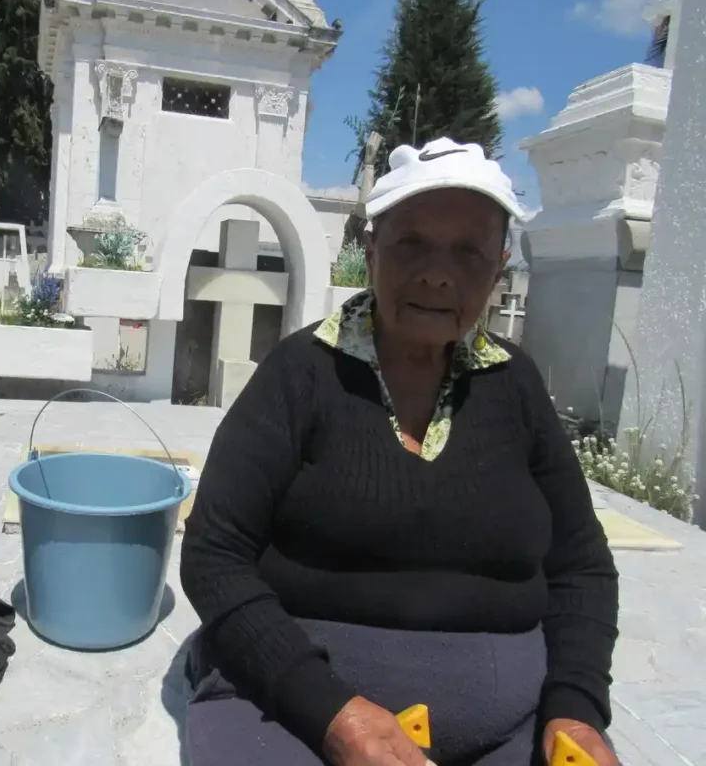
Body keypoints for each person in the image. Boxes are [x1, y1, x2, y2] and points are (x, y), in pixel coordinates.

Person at [179, 137, 620, 766]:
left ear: (498, 268)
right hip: (289, 708)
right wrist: (331, 711)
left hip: (513, 726)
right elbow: (213, 555)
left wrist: (576, 708)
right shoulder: (301, 375)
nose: (439, 274)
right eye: (412, 242)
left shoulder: (514, 385)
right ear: (370, 249)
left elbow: (582, 566)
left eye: (469, 252)